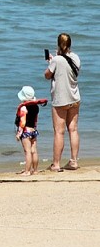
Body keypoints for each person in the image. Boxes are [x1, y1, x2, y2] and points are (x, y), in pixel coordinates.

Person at [45, 33, 81, 170]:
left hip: (61, 100)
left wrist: (51, 62)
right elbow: (67, 69)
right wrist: (57, 59)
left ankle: (56, 164)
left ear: (58, 44)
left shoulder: (57, 60)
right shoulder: (76, 58)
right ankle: (73, 161)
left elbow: (47, 75)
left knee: (59, 132)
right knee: (73, 130)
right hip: (75, 97)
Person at [14, 85, 48, 176]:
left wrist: (18, 133)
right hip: (33, 130)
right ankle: (35, 170)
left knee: (27, 151)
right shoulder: (36, 107)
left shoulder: (23, 108)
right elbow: (35, 119)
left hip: (26, 132)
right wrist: (35, 128)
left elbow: (22, 122)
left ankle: (27, 171)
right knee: (34, 151)